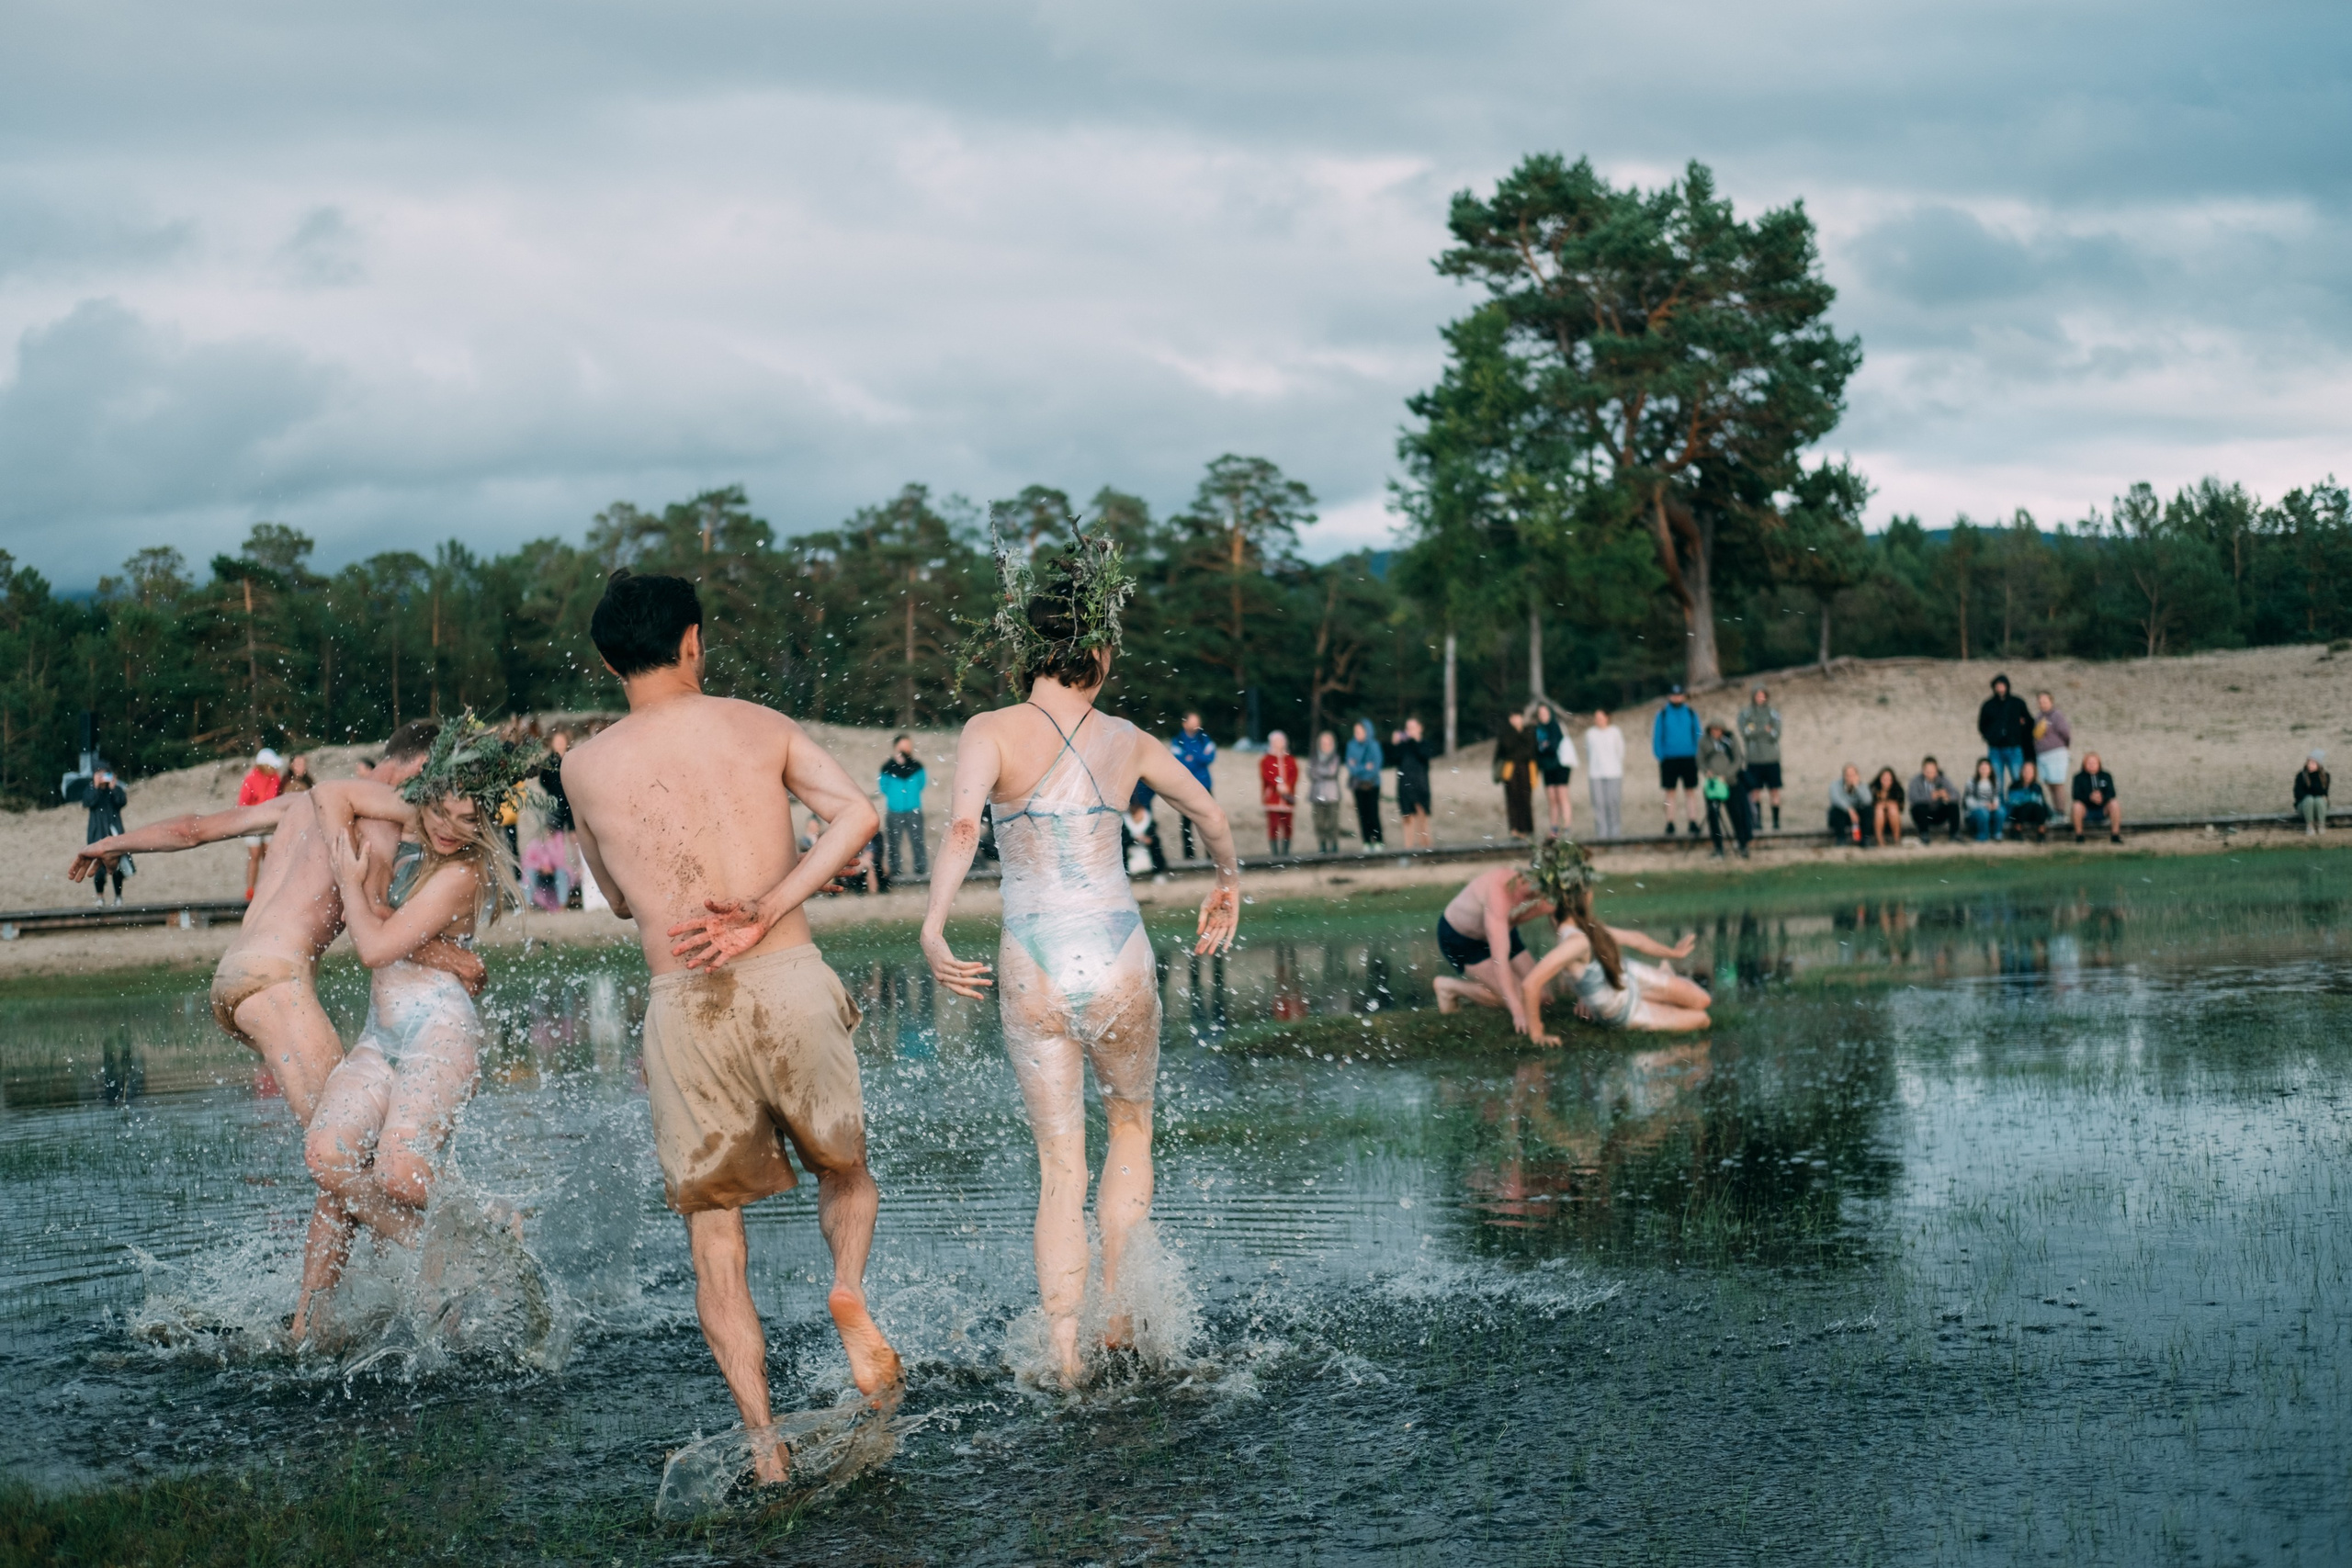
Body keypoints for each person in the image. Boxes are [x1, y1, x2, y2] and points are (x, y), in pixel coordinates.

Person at [560, 570, 901, 1481]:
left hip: (684, 1002)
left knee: (716, 1235)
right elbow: (857, 816)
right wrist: (767, 901)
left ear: (605, 662)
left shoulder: (581, 766)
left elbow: (618, 898)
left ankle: (764, 1450)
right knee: (845, 1171)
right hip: (786, 973)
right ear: (693, 642)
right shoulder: (759, 725)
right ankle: (847, 1289)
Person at [920, 531, 1241, 1385]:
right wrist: (1227, 881)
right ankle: (1118, 1316)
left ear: (1029, 649)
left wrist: (933, 923)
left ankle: (1064, 1359)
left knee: (1059, 1163)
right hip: (1119, 951)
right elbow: (1208, 812)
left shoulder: (988, 729)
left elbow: (960, 829)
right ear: (1096, 650)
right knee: (1130, 1124)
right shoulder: (1127, 737)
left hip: (1031, 956)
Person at [69, 722, 481, 1128]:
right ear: (422, 765)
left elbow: (193, 830)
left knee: (342, 1158)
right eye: (439, 780)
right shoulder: (378, 817)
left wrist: (111, 843)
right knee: (349, 1149)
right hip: (277, 983)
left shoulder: (301, 801)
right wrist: (457, 960)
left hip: (232, 977)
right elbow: (374, 925)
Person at [294, 718, 543, 1341]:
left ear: (484, 822)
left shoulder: (463, 872)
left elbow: (376, 944)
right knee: (328, 1157)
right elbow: (329, 794)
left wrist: (352, 882)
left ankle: (493, 1220)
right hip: (384, 1034)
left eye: (465, 819)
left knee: (400, 1172)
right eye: (439, 809)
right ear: (426, 793)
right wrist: (436, 947)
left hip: (440, 1031)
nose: (446, 826)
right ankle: (311, 1324)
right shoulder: (415, 823)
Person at [1517, 840, 1713, 1040]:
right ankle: (1663, 982)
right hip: (1625, 1009)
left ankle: (1664, 974)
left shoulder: (1585, 929)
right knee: (1702, 1018)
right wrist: (1538, 1034)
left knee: (1703, 1000)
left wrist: (1673, 952)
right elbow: (1530, 984)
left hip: (1628, 977)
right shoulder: (1575, 942)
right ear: (1585, 897)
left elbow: (1635, 939)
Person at [1430, 863, 1549, 1029]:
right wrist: (1517, 1011)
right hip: (1462, 938)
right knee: (1520, 999)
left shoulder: (1549, 889)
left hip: (1503, 929)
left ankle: (1492, 992)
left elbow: (1572, 931)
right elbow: (1500, 960)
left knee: (1543, 997)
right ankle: (1448, 988)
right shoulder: (1499, 893)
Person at [1651, 687, 1702, 836]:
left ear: (1684, 696)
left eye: (1679, 695)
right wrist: (1661, 755)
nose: (1677, 698)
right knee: (1670, 793)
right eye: (1674, 695)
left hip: (1689, 757)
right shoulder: (1663, 714)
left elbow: (1698, 733)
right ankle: (1670, 822)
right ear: (1669, 696)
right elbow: (1657, 736)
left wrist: (1696, 752)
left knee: (1690, 791)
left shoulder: (1691, 713)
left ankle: (1692, 821)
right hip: (1669, 759)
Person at [878, 735, 929, 879]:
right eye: (904, 745)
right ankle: (895, 871)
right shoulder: (887, 767)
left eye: (909, 745)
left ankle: (921, 870)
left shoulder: (917, 766)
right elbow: (883, 786)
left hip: (914, 809)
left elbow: (922, 783)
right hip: (894, 810)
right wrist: (896, 796)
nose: (907, 749)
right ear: (896, 747)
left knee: (917, 840)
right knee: (894, 842)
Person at [1699, 719, 1750, 859]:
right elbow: (1700, 760)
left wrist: (1726, 776)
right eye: (1713, 730)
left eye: (1718, 730)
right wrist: (1706, 771)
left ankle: (1742, 845)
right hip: (1713, 785)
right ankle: (1718, 848)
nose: (1716, 733)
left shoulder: (1731, 740)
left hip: (1731, 783)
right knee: (1713, 817)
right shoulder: (1704, 742)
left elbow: (1738, 759)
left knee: (1736, 815)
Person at [238, 748, 285, 898]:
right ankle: (250, 890)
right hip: (253, 822)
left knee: (269, 855)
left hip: (269, 821)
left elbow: (277, 797)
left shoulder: (275, 778)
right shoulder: (250, 779)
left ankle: (268, 888)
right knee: (254, 855)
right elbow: (243, 802)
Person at [82, 766, 132, 906]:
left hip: (115, 833)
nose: (104, 777)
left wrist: (114, 787)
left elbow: (122, 802)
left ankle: (118, 897)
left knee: (117, 868)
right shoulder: (90, 789)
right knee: (98, 868)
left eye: (106, 774)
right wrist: (97, 786)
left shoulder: (115, 790)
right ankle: (99, 897)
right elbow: (87, 803)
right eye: (100, 774)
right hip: (96, 833)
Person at [1170, 713, 1216, 860]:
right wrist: (1198, 757)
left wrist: (1192, 757)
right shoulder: (1177, 740)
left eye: (1198, 721)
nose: (1197, 724)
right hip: (1186, 787)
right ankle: (1189, 856)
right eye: (1193, 721)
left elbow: (1210, 757)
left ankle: (1210, 854)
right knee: (1186, 823)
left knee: (1209, 820)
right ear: (1185, 723)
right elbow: (1179, 761)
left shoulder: (1204, 738)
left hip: (1204, 785)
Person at [1977, 674, 2034, 795]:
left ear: (2007, 686)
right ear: (1994, 687)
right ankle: (2001, 811)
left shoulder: (2017, 702)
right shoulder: (1988, 705)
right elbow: (1982, 725)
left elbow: (2029, 721)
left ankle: (2021, 806)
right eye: (1997, 685)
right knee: (1997, 782)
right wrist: (1989, 737)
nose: (2000, 688)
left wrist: (2020, 731)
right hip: (1995, 749)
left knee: (2019, 778)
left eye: (2002, 685)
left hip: (2014, 748)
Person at [1738, 688, 1783, 831]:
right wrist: (1763, 729)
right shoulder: (1746, 714)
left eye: (1763, 695)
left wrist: (1756, 731)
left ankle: (1776, 822)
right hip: (1754, 760)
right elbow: (1746, 733)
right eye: (1758, 695)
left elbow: (1776, 733)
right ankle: (1757, 821)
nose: (1760, 698)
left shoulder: (1773, 713)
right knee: (1755, 792)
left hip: (1771, 759)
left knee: (1774, 791)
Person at [1390, 716, 1436, 851]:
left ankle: (1426, 849)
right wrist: (1394, 744)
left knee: (1423, 819)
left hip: (1421, 786)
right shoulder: (1403, 746)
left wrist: (1416, 740)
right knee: (1407, 818)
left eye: (1412, 727)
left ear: (1420, 728)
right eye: (1407, 728)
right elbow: (1393, 759)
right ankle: (1408, 849)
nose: (1409, 730)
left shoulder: (1425, 744)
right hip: (1405, 786)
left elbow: (1425, 756)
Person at [1496, 710, 1539, 840]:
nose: (1516, 720)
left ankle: (1527, 828)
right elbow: (1505, 749)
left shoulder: (1529, 732)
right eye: (1513, 717)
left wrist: (1517, 751)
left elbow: (1530, 750)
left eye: (1518, 717)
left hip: (1526, 768)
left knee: (1526, 798)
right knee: (1512, 799)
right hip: (1510, 769)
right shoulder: (1506, 733)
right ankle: (1514, 829)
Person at [1532, 702, 1574, 836]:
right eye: (1540, 714)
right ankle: (1554, 827)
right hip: (1547, 767)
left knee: (1562, 796)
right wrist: (1544, 747)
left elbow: (1553, 746)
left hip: (1560, 765)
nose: (1543, 716)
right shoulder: (1538, 729)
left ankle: (1567, 827)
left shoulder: (1556, 726)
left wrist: (1544, 747)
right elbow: (1537, 749)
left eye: (1545, 713)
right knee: (1551, 798)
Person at [1585, 710, 1626, 840]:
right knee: (1599, 804)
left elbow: (1620, 751)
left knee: (1613, 804)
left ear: (1607, 718)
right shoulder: (1590, 734)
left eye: (1601, 717)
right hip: (1596, 774)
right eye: (1596, 718)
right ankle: (1601, 836)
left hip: (1613, 773)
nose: (1599, 720)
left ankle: (1615, 835)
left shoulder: (1615, 732)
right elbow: (1588, 753)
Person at [2032, 692, 2073, 816]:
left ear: (2051, 702)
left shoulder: (2056, 715)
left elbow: (2065, 733)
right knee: (2049, 783)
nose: (2042, 704)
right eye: (2040, 702)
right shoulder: (2039, 717)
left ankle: (2061, 812)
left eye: (2045, 701)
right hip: (2042, 755)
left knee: (2058, 783)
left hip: (2056, 754)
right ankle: (2056, 810)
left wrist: (2060, 746)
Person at [1260, 730, 1299, 856]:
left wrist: (1287, 786)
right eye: (1276, 741)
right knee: (1273, 825)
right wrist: (1277, 785)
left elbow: (1294, 774)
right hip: (1273, 797)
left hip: (1287, 797)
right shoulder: (1266, 760)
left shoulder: (1290, 759)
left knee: (1287, 825)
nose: (1278, 744)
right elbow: (1266, 775)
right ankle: (1275, 853)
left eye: (1281, 741)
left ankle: (1286, 852)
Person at [1346, 719, 1384, 848]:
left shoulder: (1374, 745)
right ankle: (1366, 841)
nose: (1357, 734)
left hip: (1373, 785)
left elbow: (1375, 767)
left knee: (1373, 812)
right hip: (1358, 785)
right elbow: (1351, 767)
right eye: (1355, 731)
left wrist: (1359, 768)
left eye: (1360, 731)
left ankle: (1378, 840)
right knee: (1362, 814)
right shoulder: (1351, 745)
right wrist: (1364, 768)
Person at [2071, 753, 2123, 843]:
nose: (2092, 765)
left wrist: (2102, 798)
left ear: (2099, 764)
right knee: (2076, 806)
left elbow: (2112, 793)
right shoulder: (2078, 777)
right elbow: (2076, 795)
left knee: (2114, 803)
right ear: (2084, 764)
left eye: (2094, 763)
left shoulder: (2106, 776)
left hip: (2103, 809)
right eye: (2089, 763)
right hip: (2086, 810)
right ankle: (2079, 836)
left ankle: (2115, 835)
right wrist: (2090, 798)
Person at [1307, 730, 1344, 854]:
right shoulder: (1314, 757)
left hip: (1332, 794)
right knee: (1319, 822)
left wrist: (1320, 772)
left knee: (1333, 822)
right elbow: (1311, 773)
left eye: (1328, 743)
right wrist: (1324, 772)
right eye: (1323, 743)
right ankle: (1322, 844)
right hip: (1317, 794)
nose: (1325, 745)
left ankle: (1334, 843)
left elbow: (1332, 773)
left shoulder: (1335, 757)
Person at [1122, 780, 1170, 873]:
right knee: (1122, 845)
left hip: (1143, 808)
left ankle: (1158, 871)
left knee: (1155, 842)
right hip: (1131, 838)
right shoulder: (1126, 819)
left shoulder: (1147, 817)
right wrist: (1134, 839)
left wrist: (1147, 838)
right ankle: (1125, 871)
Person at [1908, 757, 1960, 841]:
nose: (1930, 773)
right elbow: (1913, 798)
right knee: (1920, 807)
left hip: (1939, 814)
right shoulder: (1916, 781)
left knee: (1953, 805)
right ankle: (1924, 834)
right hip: (1924, 816)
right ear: (1923, 770)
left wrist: (1947, 796)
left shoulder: (1943, 780)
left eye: (1933, 771)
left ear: (1937, 770)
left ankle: (1955, 834)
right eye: (1928, 771)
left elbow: (1957, 795)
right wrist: (1930, 797)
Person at [2005, 760, 2052, 841]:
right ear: (2021, 772)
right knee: (2029, 805)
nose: (2027, 774)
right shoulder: (2015, 785)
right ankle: (2017, 829)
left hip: (2033, 813)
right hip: (2018, 814)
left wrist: (2027, 800)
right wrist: (2028, 800)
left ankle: (2041, 832)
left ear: (2034, 773)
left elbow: (2040, 802)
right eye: (2025, 771)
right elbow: (2013, 802)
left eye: (2030, 771)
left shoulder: (2037, 787)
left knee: (2038, 807)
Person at [1962, 758, 2005, 842]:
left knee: (2001, 811)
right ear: (1978, 769)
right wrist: (1984, 805)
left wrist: (1995, 805)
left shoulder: (1995, 782)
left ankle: (1997, 833)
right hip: (1974, 814)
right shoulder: (1971, 782)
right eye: (1982, 768)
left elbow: (1996, 797)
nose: (1984, 770)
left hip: (1990, 811)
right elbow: (1969, 802)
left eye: (1986, 768)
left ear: (1990, 769)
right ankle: (1982, 835)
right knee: (1983, 812)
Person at [1827, 763, 1867, 844]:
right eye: (1848, 775)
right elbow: (1836, 799)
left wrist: (1857, 787)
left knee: (1868, 810)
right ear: (1843, 776)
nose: (1850, 777)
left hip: (1857, 816)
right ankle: (1841, 839)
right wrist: (1850, 810)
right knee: (1836, 810)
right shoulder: (1835, 785)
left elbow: (1867, 801)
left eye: (1853, 775)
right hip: (1843, 815)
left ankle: (1865, 840)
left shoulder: (1862, 786)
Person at [1869, 766, 1905, 848]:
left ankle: (1897, 840)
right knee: (1879, 809)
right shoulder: (1874, 789)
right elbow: (1869, 805)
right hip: (1877, 820)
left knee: (1893, 808)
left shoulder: (1897, 790)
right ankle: (1880, 841)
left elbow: (1901, 807)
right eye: (1884, 779)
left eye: (1889, 779)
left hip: (1893, 819)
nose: (1886, 782)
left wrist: (1890, 804)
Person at [2295, 751, 2330, 835]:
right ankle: (2310, 826)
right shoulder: (2301, 775)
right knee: (2309, 799)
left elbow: (2323, 792)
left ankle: (2321, 825)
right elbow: (2298, 793)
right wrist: (2311, 794)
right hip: (2304, 806)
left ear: (2319, 764)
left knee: (2318, 800)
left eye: (2313, 763)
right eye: (2309, 762)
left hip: (2319, 805)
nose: (2310, 765)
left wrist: (2314, 779)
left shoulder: (2325, 776)